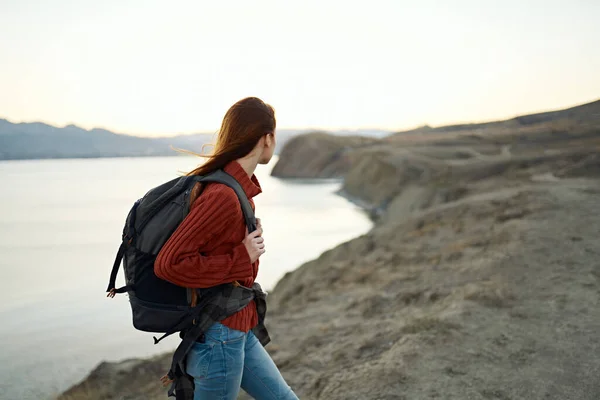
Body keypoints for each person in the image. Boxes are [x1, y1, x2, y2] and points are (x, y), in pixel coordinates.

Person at [154, 97, 299, 400]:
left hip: (237, 325)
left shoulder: (236, 188)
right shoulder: (223, 194)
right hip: (219, 335)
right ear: (266, 138)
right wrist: (241, 257)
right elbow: (169, 263)